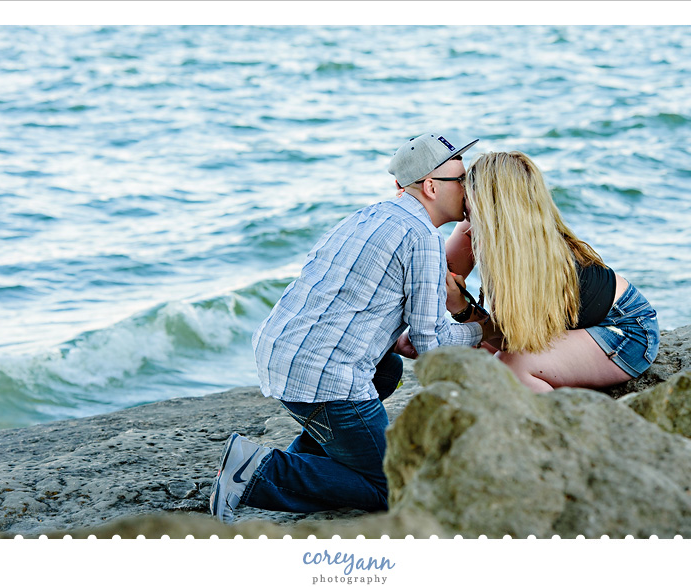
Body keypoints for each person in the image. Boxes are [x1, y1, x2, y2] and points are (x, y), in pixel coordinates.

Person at [209, 133, 498, 522]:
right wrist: (488, 330)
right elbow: (433, 346)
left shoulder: (372, 215)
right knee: (393, 489)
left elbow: (349, 302)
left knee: (387, 370)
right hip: (321, 376)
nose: (469, 189)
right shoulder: (422, 237)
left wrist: (395, 338)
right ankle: (259, 472)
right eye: (462, 179)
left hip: (281, 353)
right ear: (431, 186)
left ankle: (299, 460)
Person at [443, 150, 660, 393]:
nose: (461, 196)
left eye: (467, 189)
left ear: (488, 201)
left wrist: (462, 309)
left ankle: (562, 426)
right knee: (468, 346)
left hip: (624, 329)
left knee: (509, 366)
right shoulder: (481, 226)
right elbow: (437, 273)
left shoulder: (527, 254)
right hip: (581, 327)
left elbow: (511, 340)